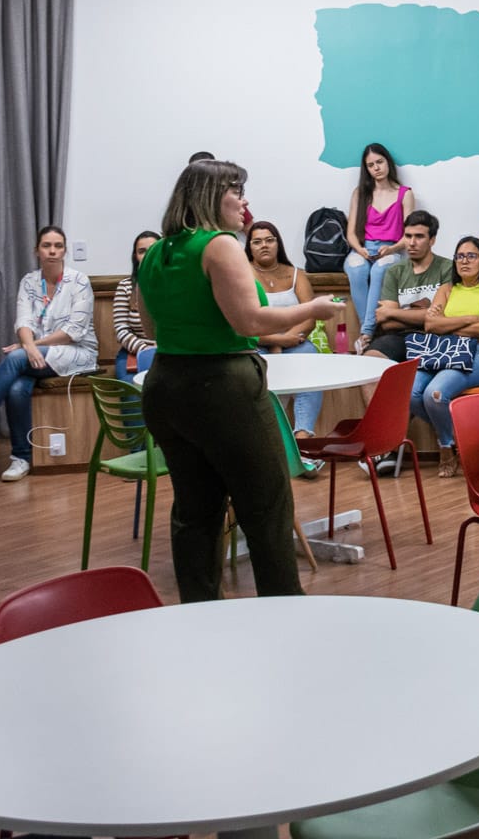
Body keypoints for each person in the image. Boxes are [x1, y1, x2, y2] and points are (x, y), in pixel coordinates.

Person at [133, 158, 340, 602]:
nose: (244, 201)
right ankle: (282, 609)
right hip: (221, 386)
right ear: (210, 197)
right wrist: (313, 309)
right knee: (266, 505)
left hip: (166, 386)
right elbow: (249, 319)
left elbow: (150, 331)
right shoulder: (219, 245)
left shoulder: (155, 251)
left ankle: (200, 608)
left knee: (195, 510)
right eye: (235, 191)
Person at [0, 225, 98, 481]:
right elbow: (23, 323)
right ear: (37, 250)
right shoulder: (29, 281)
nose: (52, 251)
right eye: (47, 246)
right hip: (38, 354)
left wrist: (29, 347)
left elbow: (72, 332)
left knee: (15, 358)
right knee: (15, 389)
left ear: (65, 250)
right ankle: (21, 458)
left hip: (76, 352)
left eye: (58, 246)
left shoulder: (79, 281)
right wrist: (30, 345)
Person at [416, 237, 479, 476]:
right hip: (443, 352)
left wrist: (446, 324)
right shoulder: (446, 289)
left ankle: (446, 447)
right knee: (411, 392)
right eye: (460, 256)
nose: (464, 261)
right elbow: (429, 325)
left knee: (435, 394)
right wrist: (470, 319)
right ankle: (462, 441)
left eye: (471, 256)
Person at [245, 220, 325, 436]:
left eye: (270, 240)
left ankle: (303, 437)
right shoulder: (242, 275)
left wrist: (288, 339)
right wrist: (276, 342)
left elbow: (310, 316)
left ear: (278, 244)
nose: (264, 245)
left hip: (296, 341)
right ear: (249, 247)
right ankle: (271, 441)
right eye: (257, 241)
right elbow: (244, 322)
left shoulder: (296, 274)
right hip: (257, 344)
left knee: (312, 361)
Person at [343, 142, 413, 350]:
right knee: (356, 269)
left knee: (380, 269)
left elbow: (408, 235)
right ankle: (371, 331)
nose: (376, 168)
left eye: (380, 162)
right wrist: (359, 248)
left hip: (392, 248)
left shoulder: (405, 193)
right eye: (371, 165)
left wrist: (391, 249)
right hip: (363, 248)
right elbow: (351, 233)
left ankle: (366, 334)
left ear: (388, 162)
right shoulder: (360, 193)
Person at [369, 211, 453, 365]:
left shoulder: (448, 268)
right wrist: (425, 315)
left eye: (419, 236)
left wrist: (392, 313)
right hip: (400, 337)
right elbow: (387, 323)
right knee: (371, 360)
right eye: (408, 236)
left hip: (438, 337)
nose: (412, 243)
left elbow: (442, 318)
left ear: (432, 240)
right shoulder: (395, 271)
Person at [113, 229, 160, 380]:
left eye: (152, 250)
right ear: (135, 256)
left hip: (170, 352)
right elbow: (121, 329)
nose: (147, 255)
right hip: (134, 352)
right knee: (133, 395)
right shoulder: (126, 286)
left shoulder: (176, 284)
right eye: (141, 251)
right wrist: (145, 350)